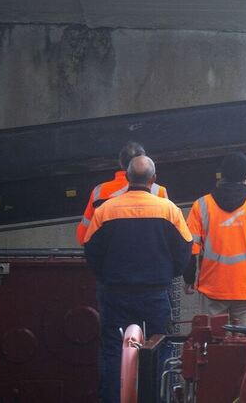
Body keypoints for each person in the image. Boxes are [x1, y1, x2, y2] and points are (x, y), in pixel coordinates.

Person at [83, 156, 191, 403]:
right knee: (160, 345)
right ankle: (158, 398)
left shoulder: (106, 210)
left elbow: (91, 250)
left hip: (116, 292)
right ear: (153, 179)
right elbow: (185, 250)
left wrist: (106, 276)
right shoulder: (169, 210)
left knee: (113, 348)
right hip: (155, 292)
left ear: (127, 178)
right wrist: (169, 273)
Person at [183, 152, 246, 326]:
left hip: (214, 290)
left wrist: (189, 279)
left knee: (213, 340)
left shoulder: (202, 205)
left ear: (221, 175)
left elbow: (189, 248)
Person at [76, 141, 169, 243]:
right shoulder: (159, 191)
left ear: (120, 163)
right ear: (145, 163)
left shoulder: (99, 192)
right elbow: (170, 234)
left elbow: (83, 237)